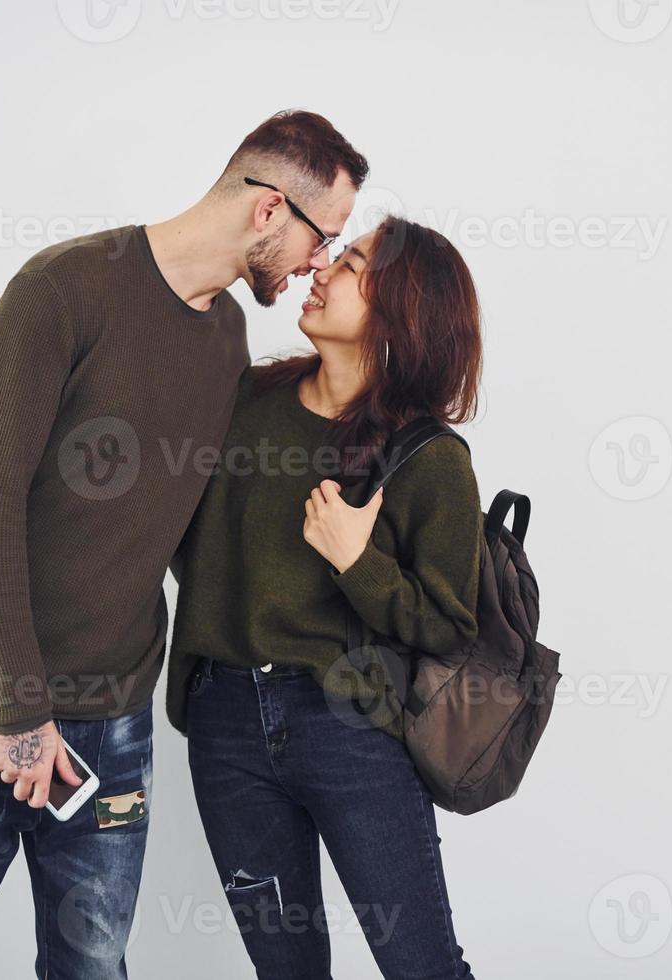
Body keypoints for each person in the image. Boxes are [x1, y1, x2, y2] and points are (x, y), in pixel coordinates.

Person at [0, 110, 368, 979]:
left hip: (113, 727)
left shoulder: (226, 338)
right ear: (270, 210)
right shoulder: (63, 289)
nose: (321, 263)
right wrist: (20, 710)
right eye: (325, 237)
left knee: (94, 965)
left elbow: (182, 527)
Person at [166, 215, 484, 979]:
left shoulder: (429, 458)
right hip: (227, 727)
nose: (324, 268)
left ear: (401, 312)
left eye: (354, 265)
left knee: (423, 967)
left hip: (351, 729)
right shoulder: (245, 402)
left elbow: (448, 630)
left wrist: (357, 562)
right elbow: (177, 533)